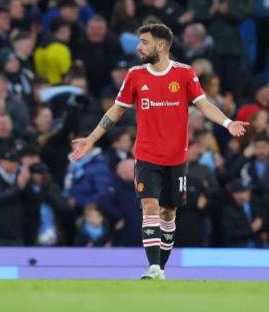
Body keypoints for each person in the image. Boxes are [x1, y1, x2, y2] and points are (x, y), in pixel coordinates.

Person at [70, 23, 248, 280]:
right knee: (150, 206)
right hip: (145, 155)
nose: (139, 47)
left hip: (176, 157)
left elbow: (204, 105)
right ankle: (153, 267)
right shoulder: (135, 75)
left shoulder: (185, 74)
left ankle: (161, 268)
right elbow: (116, 110)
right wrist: (92, 139)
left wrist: (228, 122)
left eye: (144, 42)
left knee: (168, 212)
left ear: (161, 45)